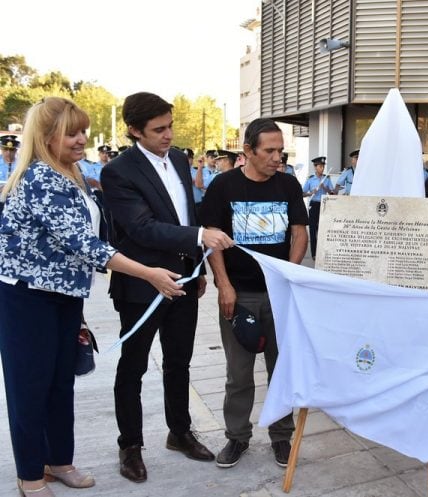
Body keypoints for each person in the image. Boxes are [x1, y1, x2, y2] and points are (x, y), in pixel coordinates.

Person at [0, 97, 187, 497]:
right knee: (30, 387)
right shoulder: (39, 179)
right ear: (46, 137)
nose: (82, 139)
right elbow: (86, 245)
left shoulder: (70, 173)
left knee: (59, 383)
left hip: (64, 294)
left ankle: (58, 460)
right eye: (72, 133)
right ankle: (30, 474)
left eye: (83, 130)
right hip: (27, 298)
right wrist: (149, 273)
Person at [100, 92, 235, 483]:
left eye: (170, 126)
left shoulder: (177, 159)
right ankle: (130, 446)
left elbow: (184, 213)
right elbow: (140, 227)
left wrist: (200, 268)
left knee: (179, 362)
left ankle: (179, 432)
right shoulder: (118, 172)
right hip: (143, 284)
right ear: (134, 130)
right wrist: (200, 236)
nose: (168, 135)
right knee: (134, 367)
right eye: (158, 129)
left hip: (185, 282)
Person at [199, 118, 309, 469]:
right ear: (248, 151)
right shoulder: (223, 186)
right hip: (240, 295)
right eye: (270, 151)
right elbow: (212, 238)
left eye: (282, 151)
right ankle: (237, 438)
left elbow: (300, 234)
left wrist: (287, 276)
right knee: (239, 374)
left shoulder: (288, 185)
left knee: (281, 369)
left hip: (279, 296)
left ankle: (281, 437)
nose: (278, 158)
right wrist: (224, 285)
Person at [303, 156, 334, 259]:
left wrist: (324, 187)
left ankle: (322, 253)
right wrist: (311, 192)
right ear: (315, 167)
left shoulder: (327, 178)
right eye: (320, 166)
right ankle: (314, 254)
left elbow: (332, 193)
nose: (322, 168)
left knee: (323, 229)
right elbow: (302, 193)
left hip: (324, 205)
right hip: (313, 204)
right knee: (312, 229)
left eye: (323, 166)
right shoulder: (311, 179)